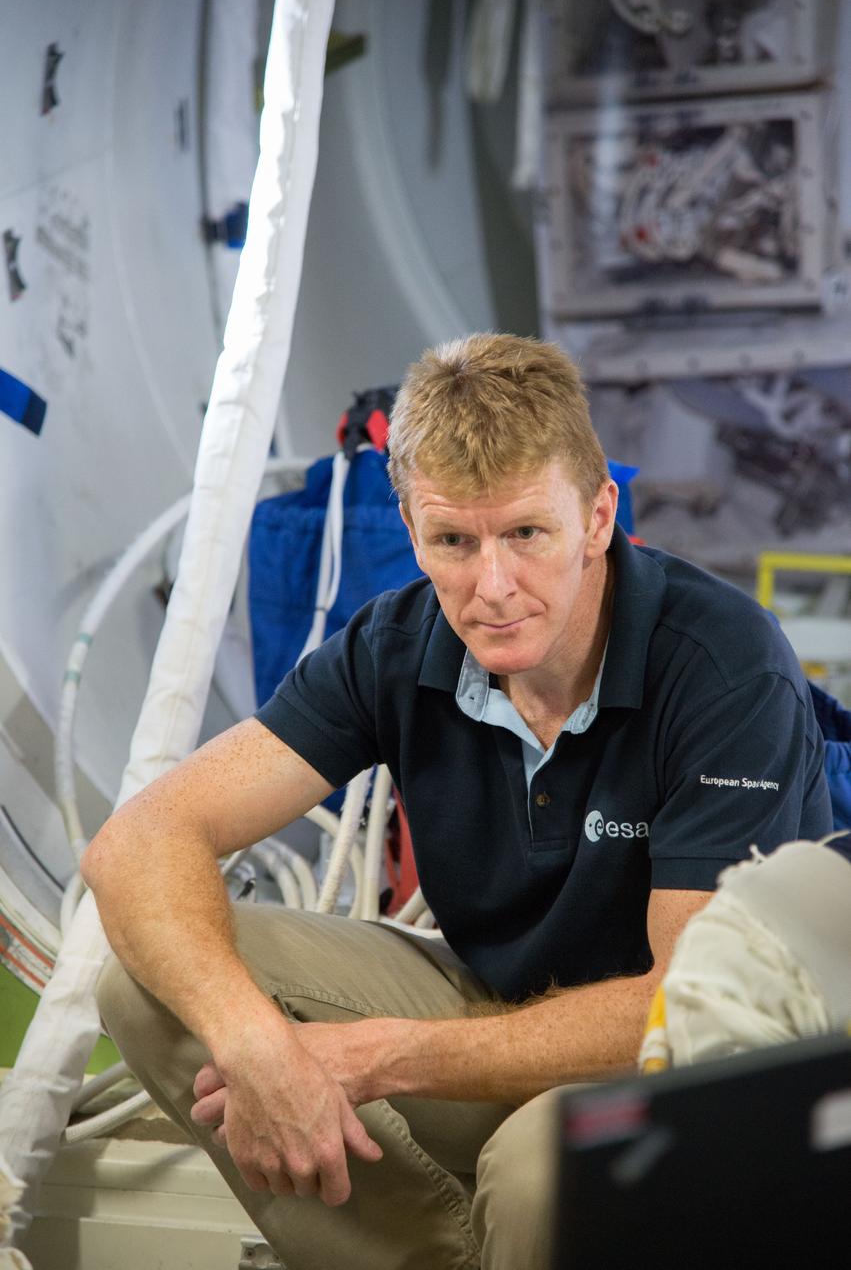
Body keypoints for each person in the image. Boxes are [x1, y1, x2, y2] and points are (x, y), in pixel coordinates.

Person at [83, 333, 832, 1270]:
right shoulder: (395, 645)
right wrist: (257, 1045)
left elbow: (681, 1007)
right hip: (495, 1003)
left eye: (526, 533)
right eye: (453, 541)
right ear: (410, 528)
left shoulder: (721, 664)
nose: (491, 587)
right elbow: (141, 840)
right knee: (150, 991)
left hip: (703, 1056)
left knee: (537, 1169)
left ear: (598, 516)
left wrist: (377, 1057)